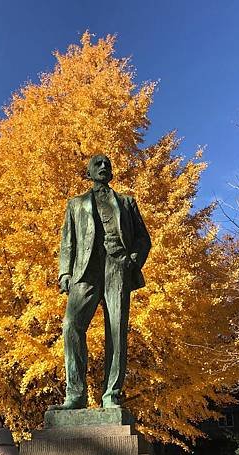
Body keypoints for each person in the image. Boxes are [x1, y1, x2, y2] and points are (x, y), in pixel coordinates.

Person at [55, 154, 151, 409]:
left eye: (107, 164)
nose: (103, 167)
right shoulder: (75, 204)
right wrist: (65, 273)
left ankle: (111, 395)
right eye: (97, 164)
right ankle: (75, 394)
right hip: (84, 272)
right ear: (88, 172)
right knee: (71, 325)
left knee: (116, 331)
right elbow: (68, 241)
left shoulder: (127, 203)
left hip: (116, 269)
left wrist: (131, 261)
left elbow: (144, 239)